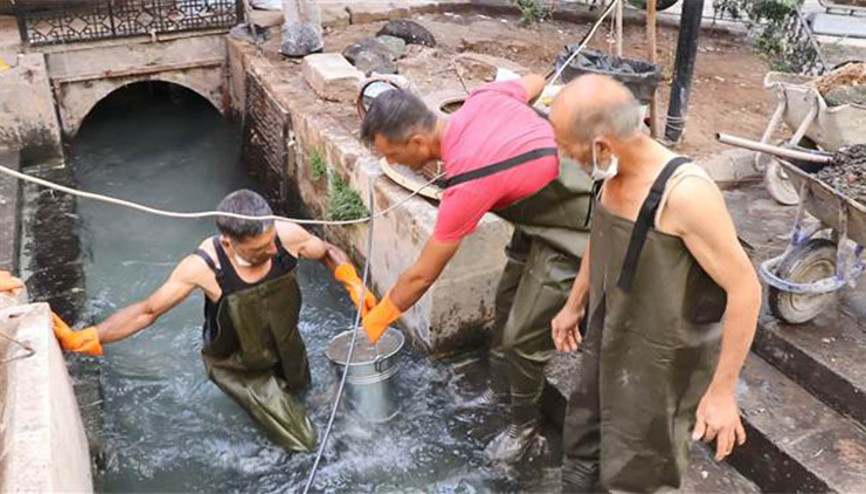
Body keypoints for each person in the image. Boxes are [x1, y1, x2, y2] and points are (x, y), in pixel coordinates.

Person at [359, 75, 593, 463]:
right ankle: (500, 395)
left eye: (394, 157)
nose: (393, 164)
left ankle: (525, 430)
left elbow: (422, 274)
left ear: (418, 143)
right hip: (538, 217)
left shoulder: (466, 183)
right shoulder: (484, 98)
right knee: (505, 306)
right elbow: (534, 82)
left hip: (576, 230)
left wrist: (378, 318)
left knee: (523, 338)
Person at [548, 74, 762, 492]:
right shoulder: (610, 176)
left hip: (660, 360)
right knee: (584, 435)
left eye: (565, 146)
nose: (561, 154)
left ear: (602, 146)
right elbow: (601, 238)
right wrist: (574, 303)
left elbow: (746, 290)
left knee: (637, 464)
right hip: (609, 337)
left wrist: (721, 392)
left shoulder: (686, 195)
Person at [53, 189, 375, 452]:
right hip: (240, 365)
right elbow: (147, 311)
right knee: (305, 442)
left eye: (272, 240)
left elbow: (327, 251)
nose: (273, 251)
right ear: (228, 242)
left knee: (302, 395)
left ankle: (276, 413)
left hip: (287, 344)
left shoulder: (286, 236)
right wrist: (88, 336)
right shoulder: (204, 267)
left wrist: (351, 281)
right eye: (260, 249)